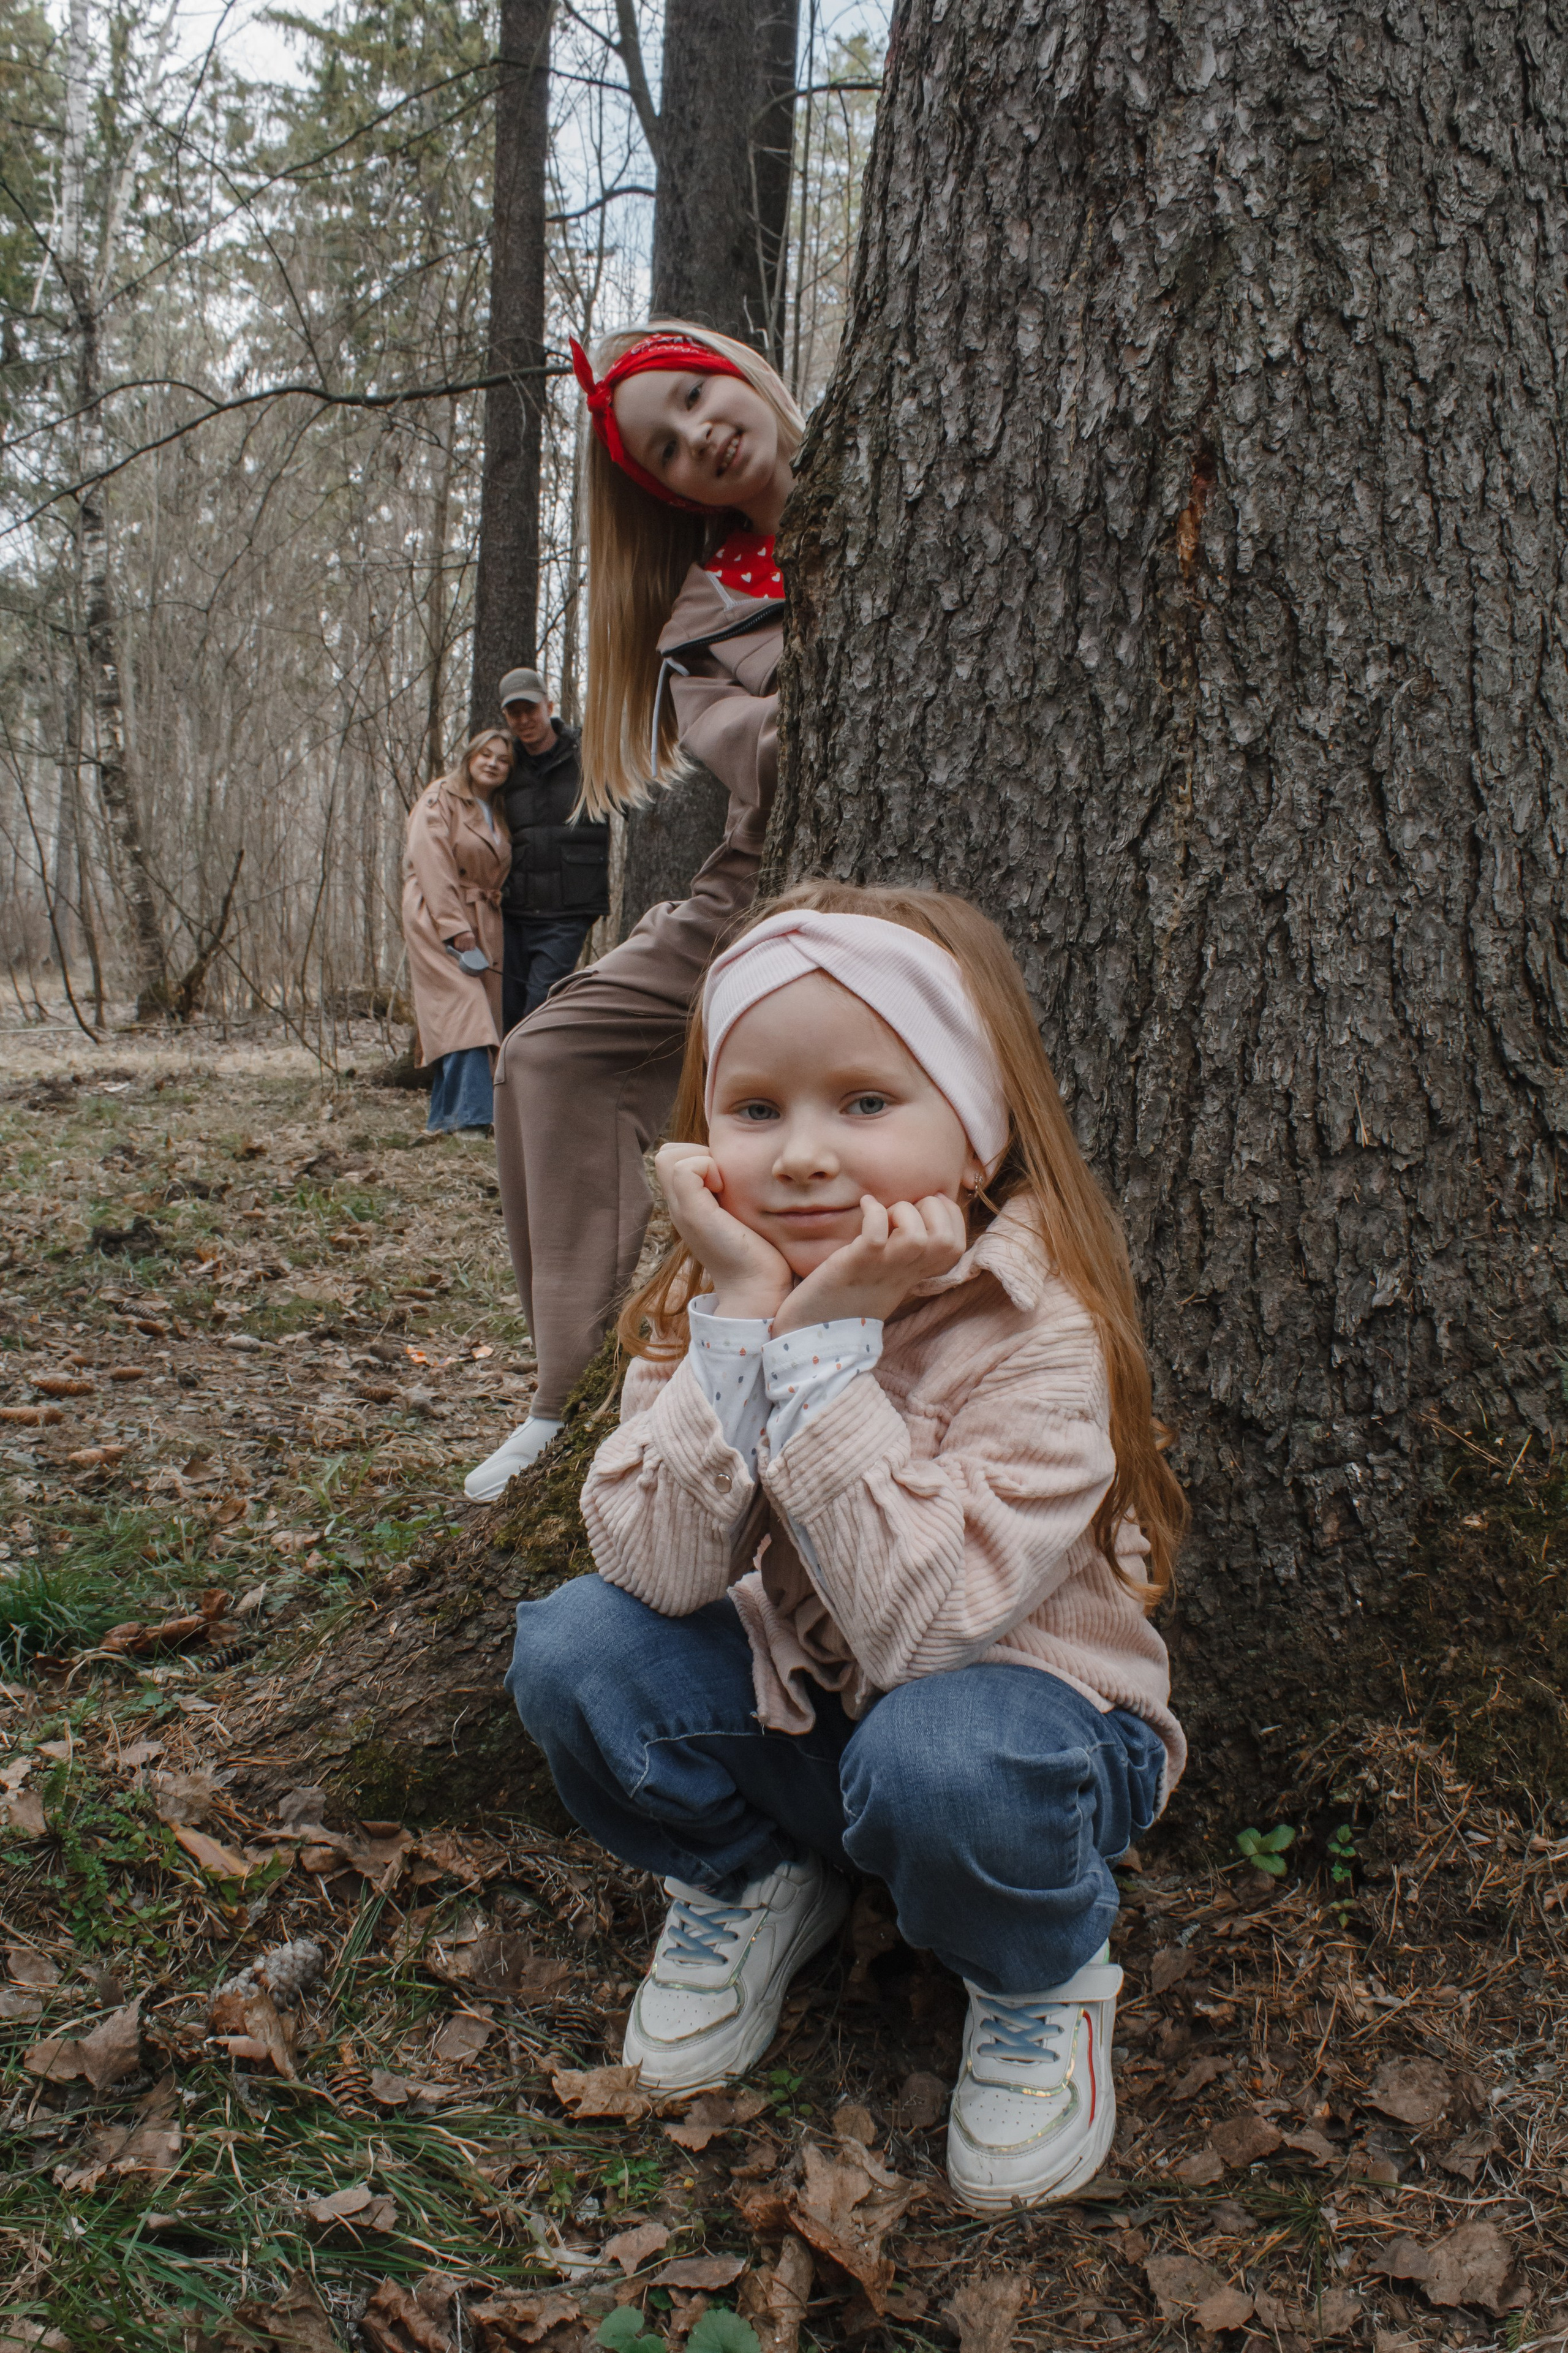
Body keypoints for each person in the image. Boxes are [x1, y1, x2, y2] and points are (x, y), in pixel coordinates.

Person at [503, 880, 1188, 2212]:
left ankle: (1036, 1969)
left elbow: (925, 1630)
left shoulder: (1036, 1331)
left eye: (865, 1104)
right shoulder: (717, 1295)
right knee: (573, 1643)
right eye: (754, 1110)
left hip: (1015, 1750)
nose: (802, 1155)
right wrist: (751, 1319)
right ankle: (755, 1880)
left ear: (977, 1132)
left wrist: (822, 1363)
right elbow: (655, 1574)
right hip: (813, 1725)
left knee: (937, 1757)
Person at [467, 322, 799, 1500]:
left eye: (699, 393)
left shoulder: (907, 464)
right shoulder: (699, 618)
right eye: (664, 446)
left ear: (746, 373)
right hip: (761, 881)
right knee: (547, 1053)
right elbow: (760, 758)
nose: (699, 432)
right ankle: (570, 1396)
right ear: (661, 487)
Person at [401, 731, 512, 1134]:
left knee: (462, 1016)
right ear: (469, 757)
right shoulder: (440, 797)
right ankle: (473, 1118)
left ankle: (445, 1116)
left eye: (503, 759)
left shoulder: (494, 811)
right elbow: (432, 864)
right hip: (437, 917)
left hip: (481, 918)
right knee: (467, 1013)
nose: (493, 763)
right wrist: (454, 928)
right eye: (485, 754)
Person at [496, 666, 609, 1034]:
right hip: (513, 911)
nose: (525, 720)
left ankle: (535, 1090)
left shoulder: (589, 753)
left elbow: (637, 791)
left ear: (550, 705)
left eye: (532, 709)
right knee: (508, 1013)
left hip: (568, 910)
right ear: (506, 717)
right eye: (515, 713)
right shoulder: (504, 764)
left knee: (537, 1011)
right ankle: (507, 1090)